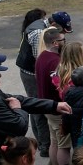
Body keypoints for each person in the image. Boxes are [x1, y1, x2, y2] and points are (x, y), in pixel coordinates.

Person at [36, 27, 72, 165]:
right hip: (57, 108)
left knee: (54, 141)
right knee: (63, 145)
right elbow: (60, 87)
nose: (65, 42)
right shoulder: (55, 62)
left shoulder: (41, 57)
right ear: (55, 43)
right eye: (63, 40)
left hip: (46, 106)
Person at [15, 8, 51, 153]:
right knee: (39, 109)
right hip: (31, 74)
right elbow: (40, 58)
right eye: (43, 18)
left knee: (34, 106)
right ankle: (44, 145)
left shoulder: (29, 30)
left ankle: (41, 141)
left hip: (26, 72)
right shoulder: (36, 33)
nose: (45, 21)